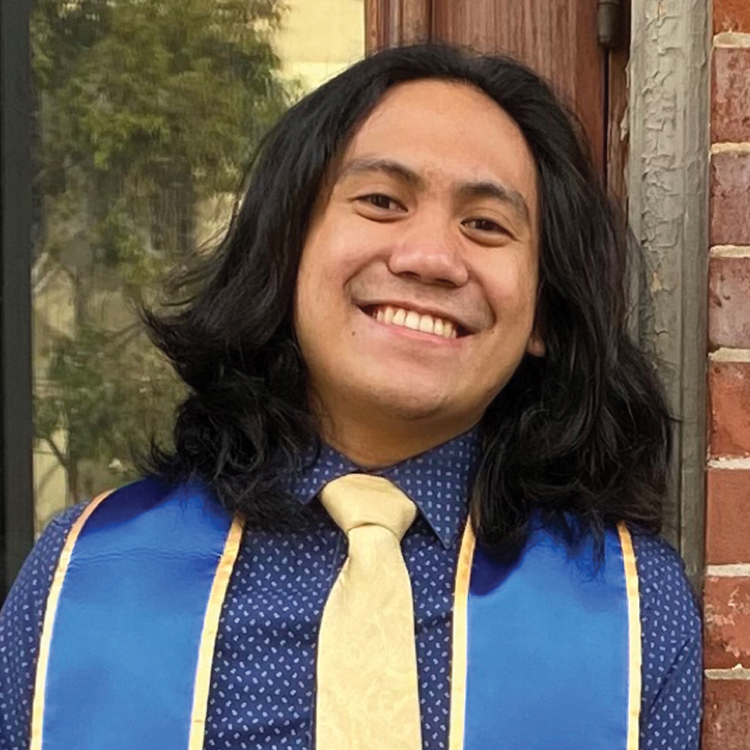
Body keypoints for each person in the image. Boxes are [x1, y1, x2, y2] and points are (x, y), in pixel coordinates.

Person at [0, 44, 701, 750]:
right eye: (380, 202)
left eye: (486, 224)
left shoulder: (632, 613)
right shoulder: (81, 580)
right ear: (287, 249)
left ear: (543, 313)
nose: (428, 257)